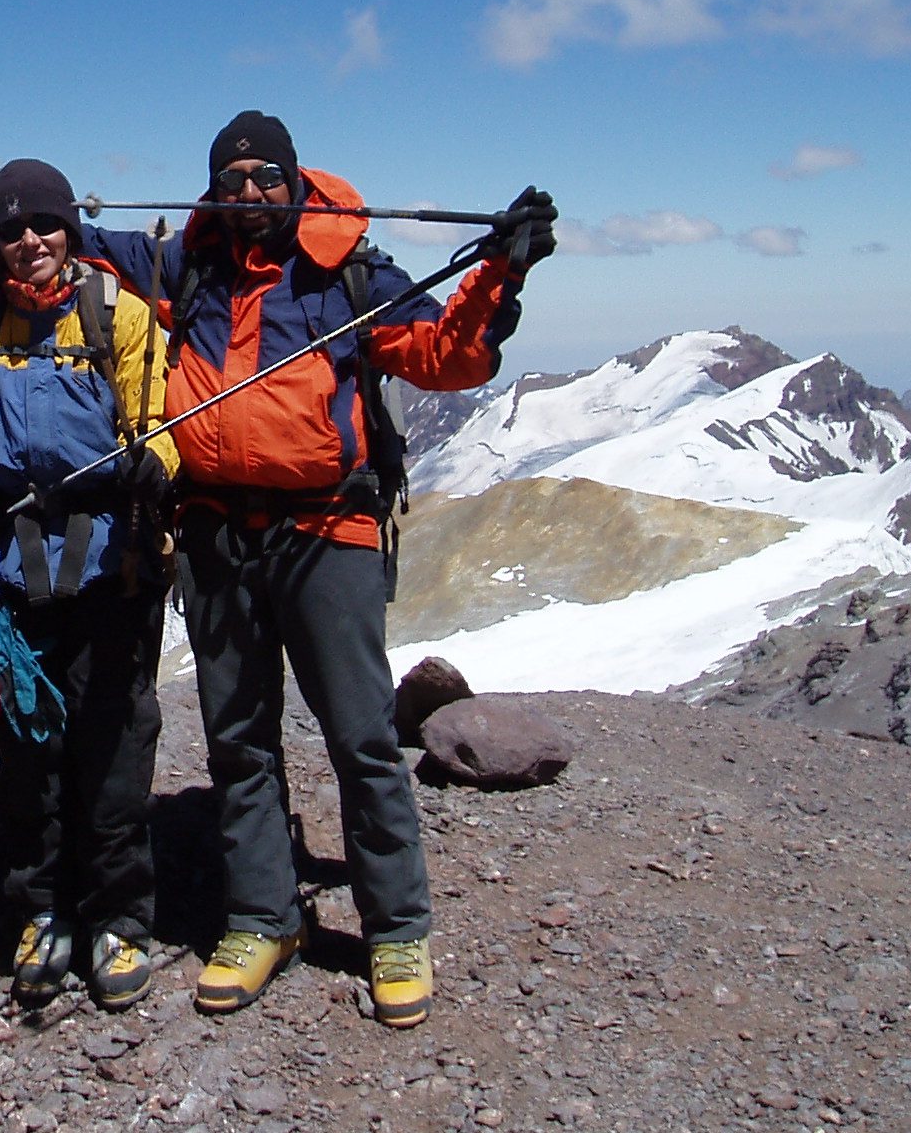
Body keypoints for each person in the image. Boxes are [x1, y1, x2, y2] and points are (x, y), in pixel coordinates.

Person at [54, 112, 547, 1027]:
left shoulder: (348, 270)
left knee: (361, 737)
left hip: (327, 529)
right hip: (215, 535)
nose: (249, 194)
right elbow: (63, 236)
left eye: (265, 178)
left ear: (294, 180)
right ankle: (261, 919)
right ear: (211, 190)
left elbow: (447, 357)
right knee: (239, 739)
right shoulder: (185, 263)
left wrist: (500, 272)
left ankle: (396, 930)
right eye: (231, 180)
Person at [0, 159, 179, 1013]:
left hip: (112, 559)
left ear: (70, 230)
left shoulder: (118, 313)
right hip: (14, 557)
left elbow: (157, 419)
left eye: (44, 225)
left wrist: (155, 461)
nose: (29, 241)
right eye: (10, 230)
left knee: (113, 742)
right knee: (29, 746)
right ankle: (42, 910)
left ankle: (118, 918)